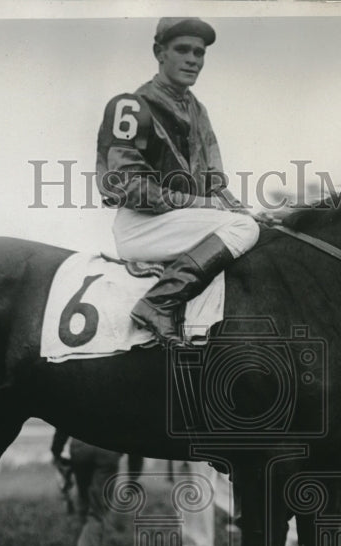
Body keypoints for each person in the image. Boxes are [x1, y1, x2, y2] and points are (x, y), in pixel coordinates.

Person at [96, 17, 259, 347]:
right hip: (142, 227)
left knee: (253, 228)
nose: (193, 60)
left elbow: (215, 186)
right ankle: (157, 304)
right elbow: (125, 186)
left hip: (182, 223)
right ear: (159, 52)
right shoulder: (131, 105)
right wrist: (209, 207)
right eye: (182, 50)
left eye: (199, 53)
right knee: (243, 232)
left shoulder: (198, 111)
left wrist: (248, 212)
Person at [51, 430, 124, 546]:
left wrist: (56, 451)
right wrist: (135, 469)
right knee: (97, 512)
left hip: (80, 446)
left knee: (84, 506)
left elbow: (64, 417)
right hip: (108, 448)